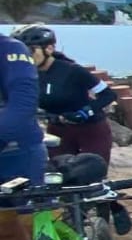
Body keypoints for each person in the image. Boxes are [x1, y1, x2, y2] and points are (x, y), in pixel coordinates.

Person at [15, 25, 118, 162]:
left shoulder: (72, 71)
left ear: (49, 49)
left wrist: (84, 112)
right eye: (22, 51)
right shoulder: (28, 74)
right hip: (58, 131)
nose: (27, 56)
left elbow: (108, 95)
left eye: (31, 50)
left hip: (90, 130)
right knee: (60, 176)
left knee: (91, 175)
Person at [0, 30, 45, 240]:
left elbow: (23, 105)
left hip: (18, 154)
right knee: (7, 239)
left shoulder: (11, 49)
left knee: (32, 234)